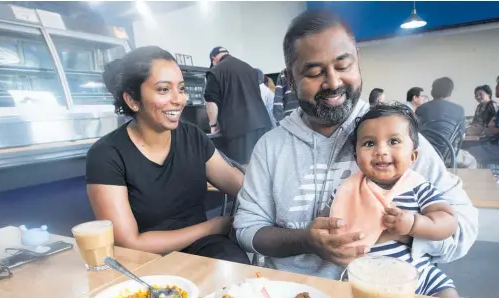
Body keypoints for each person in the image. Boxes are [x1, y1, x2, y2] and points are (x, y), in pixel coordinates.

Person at [234, 10, 478, 280]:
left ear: (357, 60)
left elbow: (464, 227)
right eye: (315, 72)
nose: (334, 82)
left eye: (343, 66)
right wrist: (305, 240)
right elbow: (246, 228)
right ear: (290, 79)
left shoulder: (394, 136)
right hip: (292, 296)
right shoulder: (271, 147)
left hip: (382, 294)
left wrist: (406, 231)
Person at [86, 46, 250, 264]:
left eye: (180, 89)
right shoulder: (107, 155)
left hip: (204, 248)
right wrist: (214, 226)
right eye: (163, 89)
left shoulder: (191, 136)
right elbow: (129, 243)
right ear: (132, 100)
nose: (179, 99)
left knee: (234, 265)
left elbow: (240, 186)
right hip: (145, 260)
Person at [329, 103, 459, 298]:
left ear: (413, 155)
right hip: (366, 277)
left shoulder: (416, 187)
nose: (381, 150)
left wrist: (413, 224)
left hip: (418, 275)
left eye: (394, 141)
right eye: (369, 143)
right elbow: (329, 224)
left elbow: (448, 221)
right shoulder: (346, 191)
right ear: (356, 157)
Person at [204, 46, 273, 164]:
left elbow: (211, 102)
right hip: (263, 124)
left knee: (244, 170)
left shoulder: (215, 71)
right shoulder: (249, 68)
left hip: (240, 131)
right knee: (265, 165)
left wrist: (213, 125)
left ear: (213, 58)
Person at [416, 77, 466, 163]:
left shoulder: (421, 108)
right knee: (472, 161)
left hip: (425, 155)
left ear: (432, 91)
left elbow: (415, 133)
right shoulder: (459, 110)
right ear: (450, 92)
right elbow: (462, 135)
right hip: (450, 156)